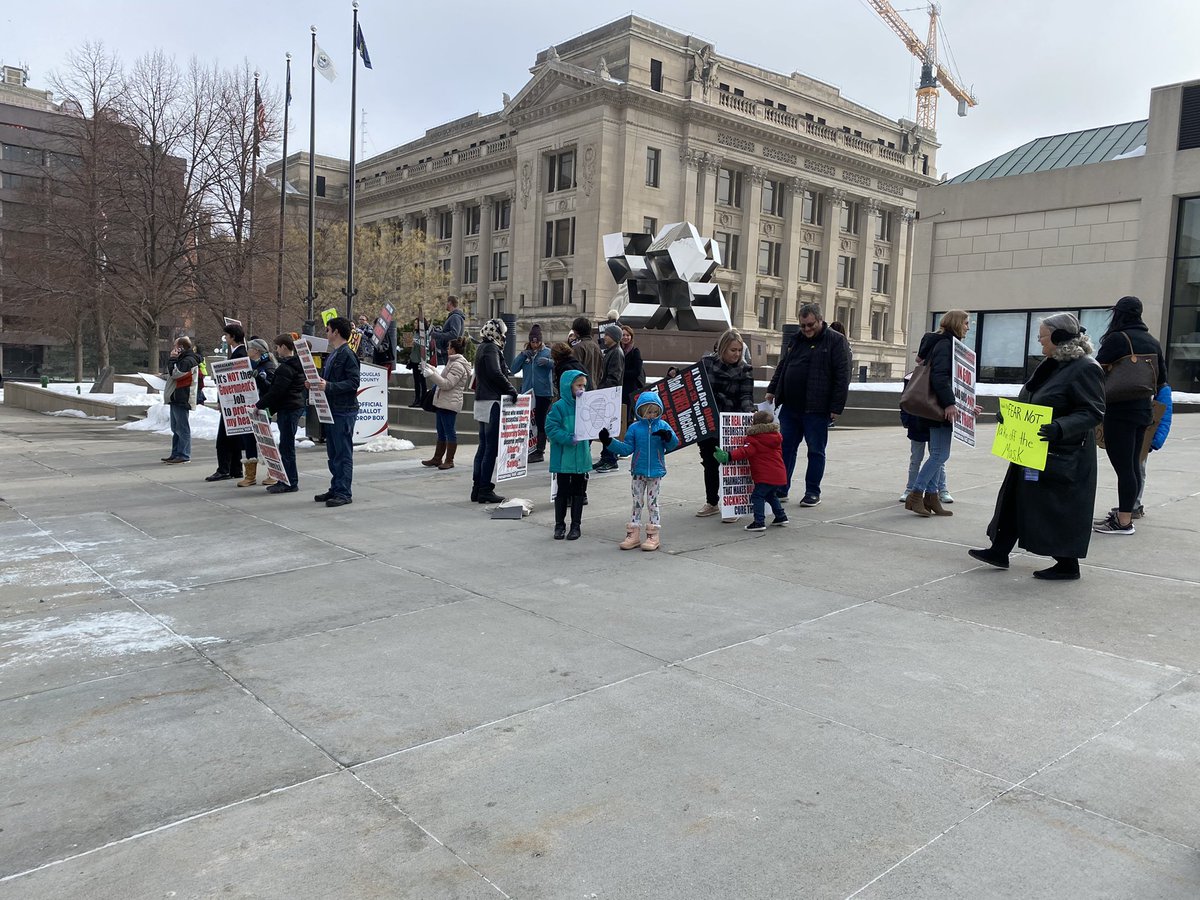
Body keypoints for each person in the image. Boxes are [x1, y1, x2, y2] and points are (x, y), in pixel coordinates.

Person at [969, 313, 1105, 580]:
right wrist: (1010, 415)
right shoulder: (1052, 364)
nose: (1038, 341)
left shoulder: (1086, 367)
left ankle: (1068, 564)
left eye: (1042, 336)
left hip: (1062, 451)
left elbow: (1093, 411)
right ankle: (999, 549)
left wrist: (1059, 427)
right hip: (1033, 446)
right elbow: (1034, 399)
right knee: (1016, 498)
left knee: (1056, 508)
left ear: (1057, 337)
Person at [1093, 296, 1168, 535]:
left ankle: (1123, 521)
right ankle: (1127, 512)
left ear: (1118, 313)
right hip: (1143, 411)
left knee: (1124, 467)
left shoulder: (1118, 339)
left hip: (1119, 410)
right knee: (1133, 465)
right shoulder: (1152, 341)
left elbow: (1095, 369)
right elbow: (1162, 379)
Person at [765, 302, 850, 507]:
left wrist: (835, 408)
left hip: (817, 408)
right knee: (785, 448)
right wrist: (772, 389)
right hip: (791, 407)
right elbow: (783, 366)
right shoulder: (797, 339)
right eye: (803, 325)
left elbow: (842, 376)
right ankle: (781, 487)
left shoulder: (836, 341)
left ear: (820, 320)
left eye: (810, 325)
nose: (807, 329)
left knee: (815, 450)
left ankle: (812, 491)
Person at [903, 310, 970, 517]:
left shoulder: (942, 343)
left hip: (936, 406)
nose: (968, 327)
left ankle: (931, 498)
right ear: (957, 323)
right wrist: (950, 404)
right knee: (941, 454)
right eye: (966, 323)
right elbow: (940, 377)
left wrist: (966, 405)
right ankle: (916, 494)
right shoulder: (946, 344)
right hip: (939, 407)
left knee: (938, 454)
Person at [599, 391, 680, 551]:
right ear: (641, 411)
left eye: (655, 412)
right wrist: (609, 442)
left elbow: (672, 445)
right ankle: (633, 534)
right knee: (637, 502)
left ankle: (653, 534)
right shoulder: (635, 428)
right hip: (638, 471)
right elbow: (627, 448)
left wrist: (668, 437)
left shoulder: (663, 426)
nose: (652, 415)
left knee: (653, 504)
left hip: (655, 472)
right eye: (649, 412)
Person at [696, 329, 756, 520]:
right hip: (710, 421)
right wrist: (674, 374)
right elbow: (692, 383)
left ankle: (733, 505)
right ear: (722, 349)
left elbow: (746, 396)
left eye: (739, 350)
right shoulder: (706, 364)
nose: (737, 354)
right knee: (709, 462)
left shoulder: (745, 370)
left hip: (732, 422)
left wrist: (749, 412)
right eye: (733, 350)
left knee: (733, 462)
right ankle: (712, 502)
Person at [312, 317, 360, 507]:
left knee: (342, 453)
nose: (326, 333)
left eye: (328, 329)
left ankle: (343, 492)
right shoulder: (334, 354)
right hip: (333, 409)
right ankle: (336, 487)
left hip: (343, 410)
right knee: (333, 453)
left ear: (336, 332)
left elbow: (353, 383)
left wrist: (329, 386)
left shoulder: (347, 354)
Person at [713, 409, 788, 532]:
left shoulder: (755, 439)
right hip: (779, 474)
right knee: (770, 495)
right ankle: (781, 516)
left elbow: (744, 451)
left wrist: (728, 456)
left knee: (757, 496)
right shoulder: (776, 437)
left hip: (765, 476)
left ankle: (759, 522)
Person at [471, 318, 519, 504]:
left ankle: (477, 487)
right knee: (490, 447)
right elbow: (495, 372)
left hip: (482, 400)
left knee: (483, 446)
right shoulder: (491, 348)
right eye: (503, 333)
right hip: (491, 402)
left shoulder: (482, 347)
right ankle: (484, 488)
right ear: (497, 332)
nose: (505, 336)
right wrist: (510, 389)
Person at [255, 334, 306, 493]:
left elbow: (276, 391)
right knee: (286, 445)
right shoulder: (299, 364)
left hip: (288, 408)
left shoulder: (285, 368)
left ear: (284, 347)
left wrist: (259, 405)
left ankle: (289, 482)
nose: (276, 350)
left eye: (277, 347)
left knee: (286, 447)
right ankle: (288, 480)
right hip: (294, 406)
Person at [545, 370, 593, 540]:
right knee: (562, 492)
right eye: (579, 385)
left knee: (579, 492)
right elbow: (550, 428)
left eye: (584, 386)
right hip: (564, 457)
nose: (582, 389)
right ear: (568, 386)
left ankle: (576, 526)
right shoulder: (559, 407)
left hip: (580, 457)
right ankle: (559, 525)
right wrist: (567, 438)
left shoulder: (586, 404)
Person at [421, 336, 472, 470]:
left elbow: (447, 384)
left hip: (449, 403)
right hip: (443, 402)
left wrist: (431, 375)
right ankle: (437, 458)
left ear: (453, 350)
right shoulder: (452, 363)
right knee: (441, 431)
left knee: (449, 432)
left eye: (449, 347)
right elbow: (444, 378)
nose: (447, 349)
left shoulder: (458, 365)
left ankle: (449, 460)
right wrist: (433, 370)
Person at [206, 322, 248, 483]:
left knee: (223, 439)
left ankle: (223, 469)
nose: (225, 338)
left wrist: (221, 400)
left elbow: (229, 382)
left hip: (231, 402)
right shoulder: (241, 353)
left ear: (233, 337)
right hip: (235, 402)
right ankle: (235, 469)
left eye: (226, 336)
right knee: (233, 436)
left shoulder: (238, 355)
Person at [510, 324, 553, 463]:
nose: (535, 345)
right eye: (532, 342)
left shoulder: (547, 352)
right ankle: (527, 448)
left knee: (540, 421)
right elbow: (513, 369)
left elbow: (558, 364)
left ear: (541, 341)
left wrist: (548, 362)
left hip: (543, 393)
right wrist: (522, 356)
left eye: (537, 342)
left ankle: (539, 451)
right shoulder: (526, 354)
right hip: (528, 393)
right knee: (527, 423)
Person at [238, 338, 277, 488]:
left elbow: (271, 389)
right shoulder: (250, 365)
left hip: (263, 409)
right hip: (250, 408)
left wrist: (260, 379)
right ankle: (250, 475)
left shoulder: (268, 366)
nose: (247, 351)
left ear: (256, 351)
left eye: (250, 349)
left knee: (265, 441)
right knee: (248, 440)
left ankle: (273, 473)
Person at [898, 402, 949, 504]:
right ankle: (910, 489)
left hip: (935, 421)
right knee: (916, 459)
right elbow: (906, 398)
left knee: (938, 460)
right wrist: (906, 420)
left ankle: (942, 489)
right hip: (917, 422)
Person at [162, 336, 200, 464]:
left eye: (175, 346)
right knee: (175, 428)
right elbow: (174, 373)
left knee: (182, 428)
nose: (173, 349)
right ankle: (176, 453)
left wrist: (172, 359)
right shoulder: (183, 359)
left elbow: (176, 374)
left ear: (181, 347)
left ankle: (184, 454)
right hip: (176, 396)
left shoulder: (189, 360)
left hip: (182, 396)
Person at [594, 323, 626, 472]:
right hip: (607, 395)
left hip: (610, 396)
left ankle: (611, 459)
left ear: (613, 337)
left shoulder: (616, 353)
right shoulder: (611, 351)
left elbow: (614, 377)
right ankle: (605, 457)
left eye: (607, 335)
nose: (604, 337)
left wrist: (602, 390)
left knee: (609, 429)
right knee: (604, 428)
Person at [619, 325, 645, 422]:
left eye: (628, 335)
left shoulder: (635, 351)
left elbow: (636, 371)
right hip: (620, 387)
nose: (625, 337)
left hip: (630, 388)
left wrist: (621, 374)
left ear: (631, 337)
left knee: (628, 415)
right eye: (623, 335)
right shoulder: (618, 350)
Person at [429, 296, 465, 366]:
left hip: (452, 351)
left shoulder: (455, 317)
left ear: (450, 303)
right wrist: (437, 331)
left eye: (446, 302)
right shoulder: (453, 316)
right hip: (449, 351)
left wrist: (436, 335)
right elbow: (447, 332)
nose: (446, 304)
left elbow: (454, 334)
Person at [570, 316, 603, 392]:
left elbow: (574, 371)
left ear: (576, 332)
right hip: (594, 387)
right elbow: (601, 371)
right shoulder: (597, 347)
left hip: (581, 389)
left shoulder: (578, 348)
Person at [407, 316, 429, 407]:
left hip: (421, 360)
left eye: (416, 323)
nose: (414, 325)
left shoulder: (425, 333)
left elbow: (424, 345)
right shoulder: (415, 333)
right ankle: (417, 399)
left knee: (422, 381)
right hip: (414, 359)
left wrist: (414, 341)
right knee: (416, 381)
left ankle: (423, 400)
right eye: (414, 323)